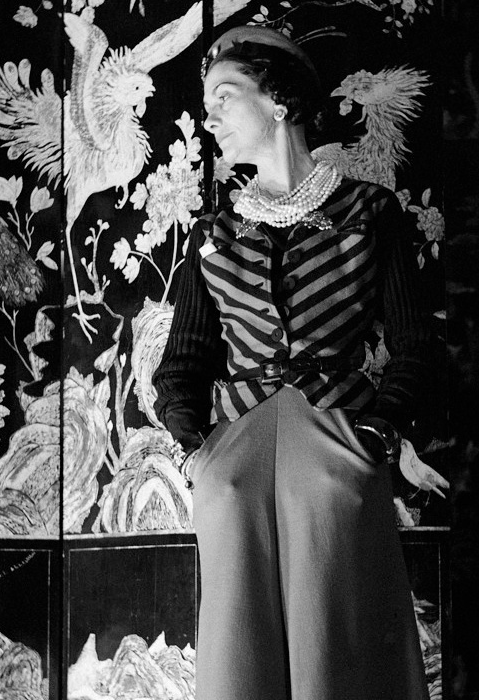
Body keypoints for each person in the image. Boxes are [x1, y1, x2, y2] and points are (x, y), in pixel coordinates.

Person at [152, 25, 435, 700]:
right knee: (236, 656)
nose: (209, 117)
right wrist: (197, 450)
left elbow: (416, 344)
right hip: (232, 460)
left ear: (278, 101)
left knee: (340, 651)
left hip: (338, 445)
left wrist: (375, 435)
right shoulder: (214, 233)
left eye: (224, 97)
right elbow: (182, 363)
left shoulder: (370, 212)